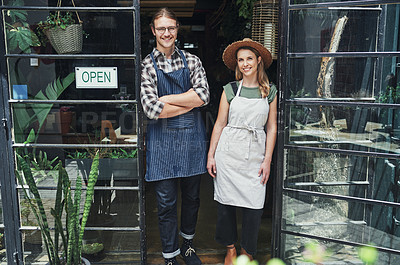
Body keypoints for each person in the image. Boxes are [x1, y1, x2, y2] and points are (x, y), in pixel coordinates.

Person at [140, 7, 210, 265]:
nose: (166, 33)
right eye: (161, 28)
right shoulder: (147, 65)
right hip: (162, 145)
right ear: (153, 31)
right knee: (166, 203)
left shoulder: (192, 61)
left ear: (177, 29)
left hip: (192, 141)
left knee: (192, 198)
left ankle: (187, 246)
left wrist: (167, 99)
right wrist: (188, 101)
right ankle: (170, 255)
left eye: (171, 28)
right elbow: (150, 108)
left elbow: (204, 96)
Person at [207, 38, 277, 265]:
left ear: (258, 61)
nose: (245, 64)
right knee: (226, 205)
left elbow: (272, 127)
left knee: (254, 207)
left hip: (255, 154)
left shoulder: (270, 91)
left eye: (249, 59)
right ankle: (230, 249)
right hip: (228, 153)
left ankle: (247, 251)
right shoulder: (230, 90)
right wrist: (211, 155)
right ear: (237, 64)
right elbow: (219, 124)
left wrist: (267, 160)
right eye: (241, 60)